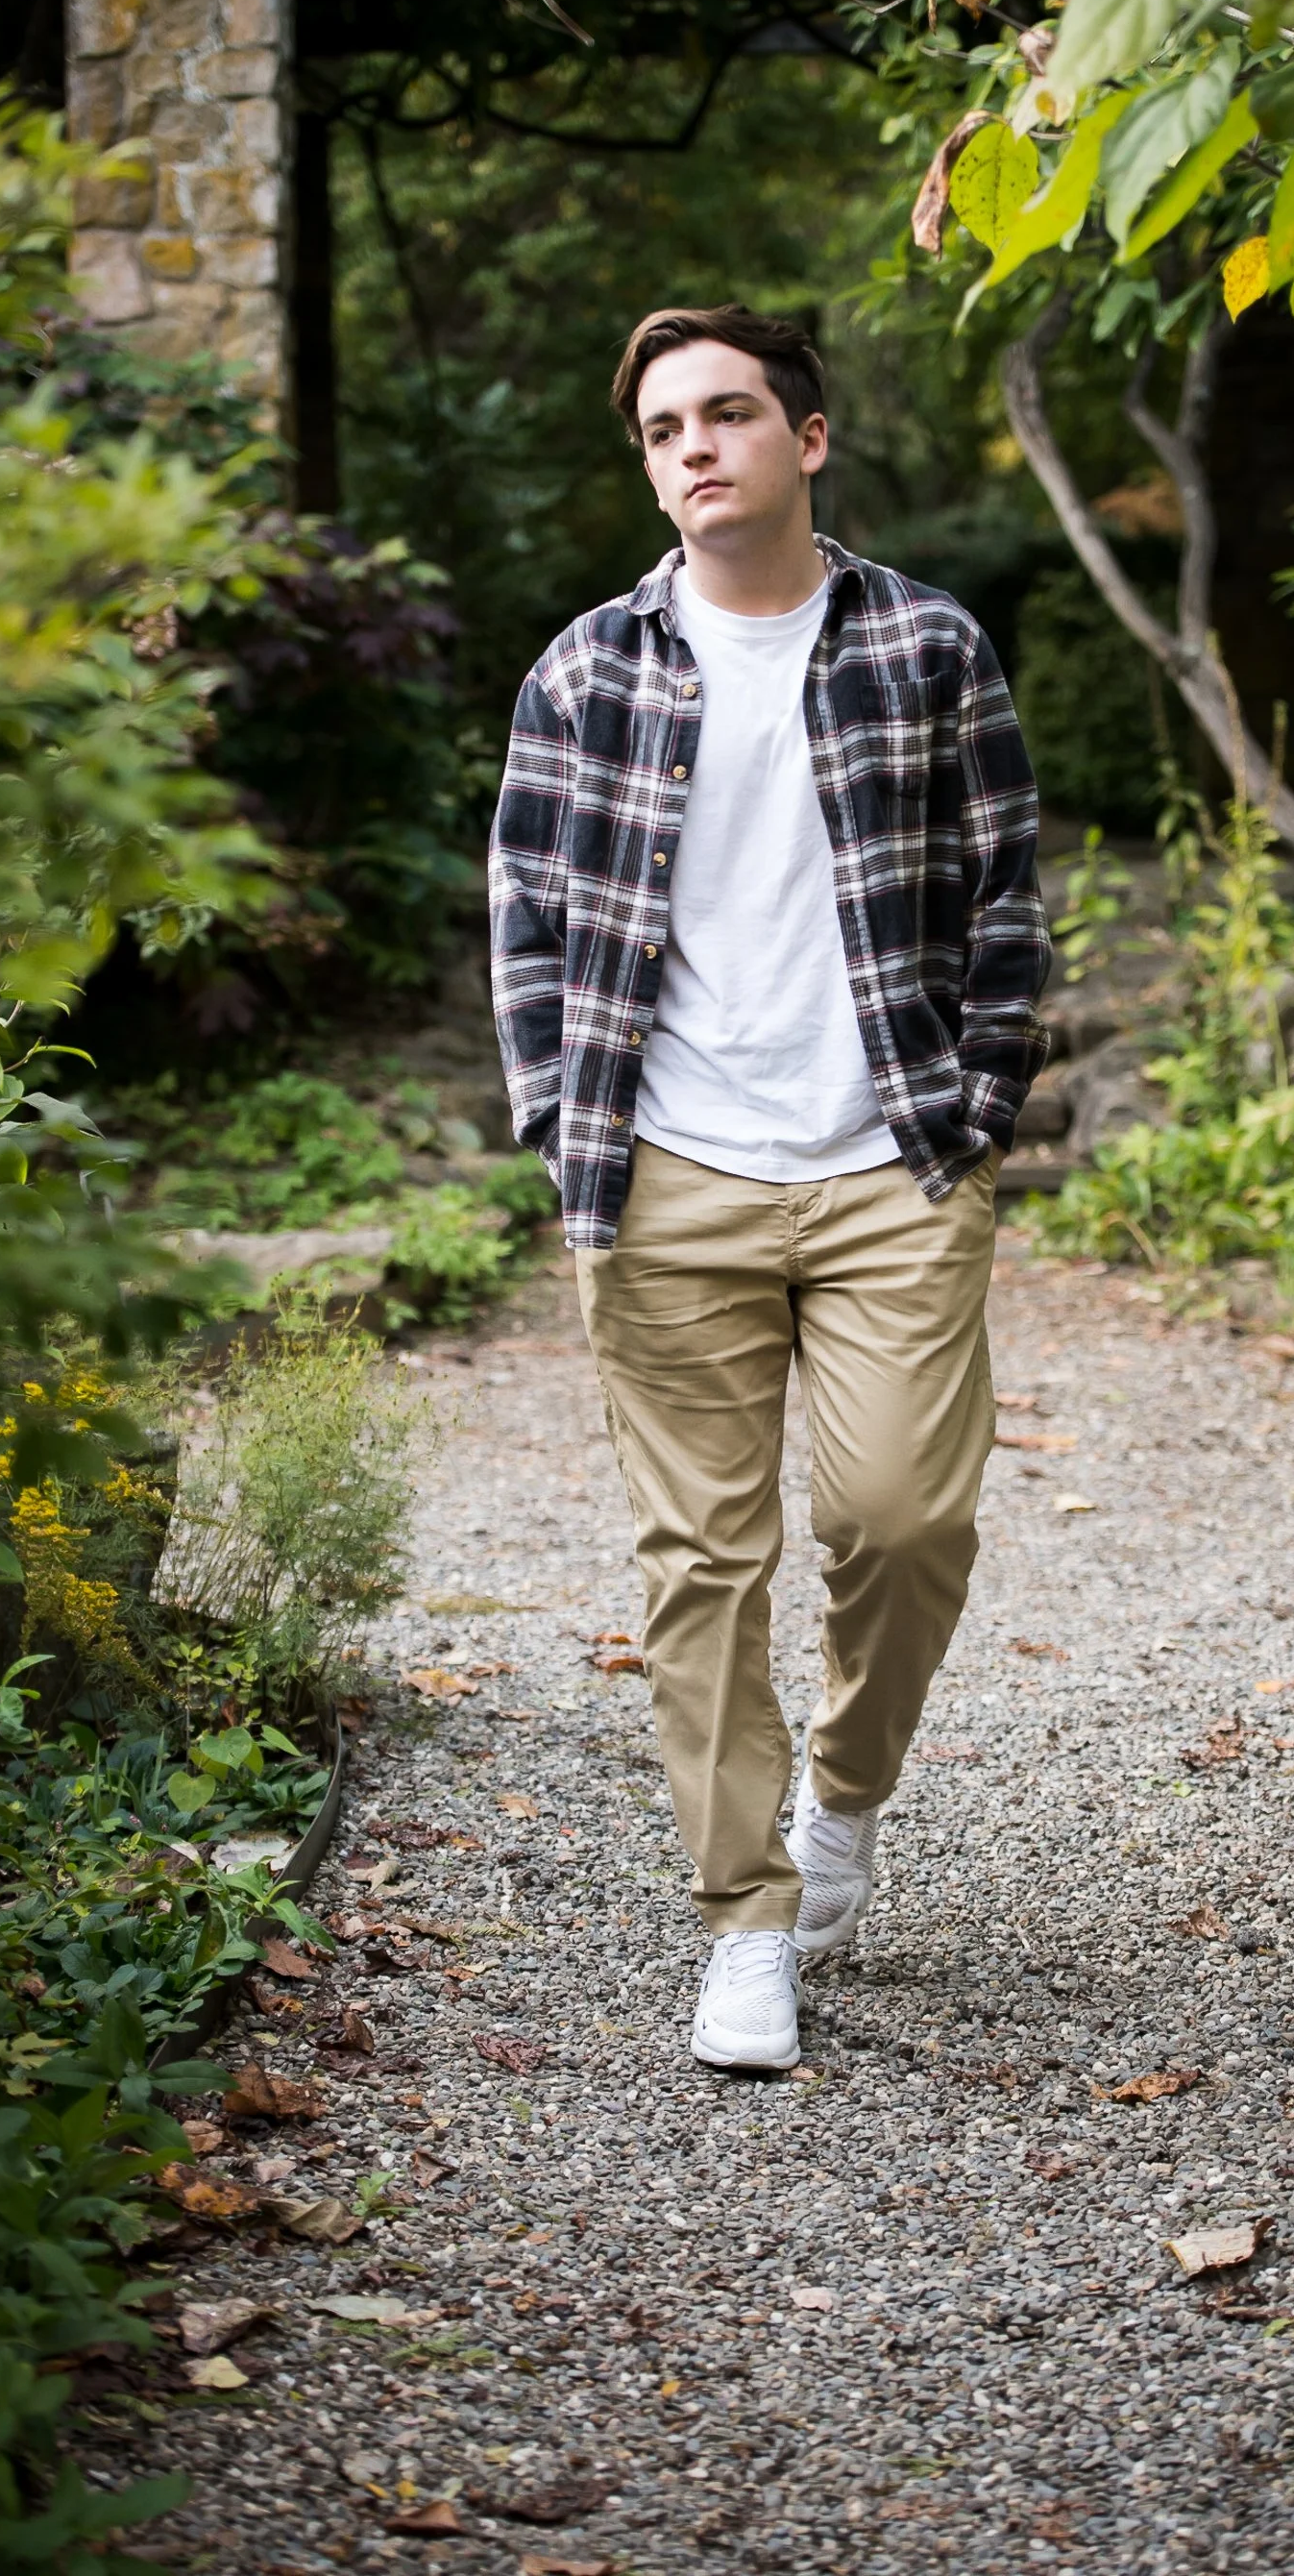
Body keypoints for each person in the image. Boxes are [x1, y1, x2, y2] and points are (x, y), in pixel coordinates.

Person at [489, 301, 1051, 2069]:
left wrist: (971, 1114)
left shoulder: (927, 646)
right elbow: (523, 916)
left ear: (806, 441)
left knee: (901, 1522)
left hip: (890, 1158)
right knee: (699, 1564)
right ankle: (743, 1923)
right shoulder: (588, 671)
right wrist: (556, 1123)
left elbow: (1009, 892)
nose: (695, 450)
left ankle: (845, 1795)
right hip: (668, 1180)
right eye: (664, 430)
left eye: (727, 416)